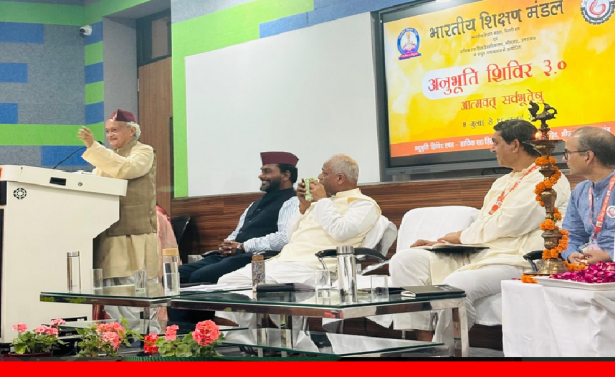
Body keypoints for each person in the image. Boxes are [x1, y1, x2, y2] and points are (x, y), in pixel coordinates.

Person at [389, 119, 571, 342]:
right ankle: (423, 343)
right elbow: (484, 223)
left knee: (455, 285)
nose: (491, 148)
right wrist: (444, 244)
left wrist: (460, 237)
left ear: (515, 145)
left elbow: (509, 224)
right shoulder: (503, 181)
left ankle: (446, 351)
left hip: (515, 258)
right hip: (482, 252)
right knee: (406, 260)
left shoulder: (547, 178)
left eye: (495, 142)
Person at [216, 154, 381, 296]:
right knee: (227, 281)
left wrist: (322, 200)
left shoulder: (363, 204)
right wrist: (302, 208)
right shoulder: (320, 203)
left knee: (251, 288)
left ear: (339, 178)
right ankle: (262, 324)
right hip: (282, 261)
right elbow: (290, 236)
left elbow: (341, 231)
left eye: (324, 173)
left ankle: (278, 322)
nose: (319, 177)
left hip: (314, 267)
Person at [78, 109, 158, 321]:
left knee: (134, 285)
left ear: (131, 131)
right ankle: (119, 332)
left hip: (134, 230)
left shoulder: (143, 151)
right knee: (111, 285)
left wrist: (94, 148)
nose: (110, 135)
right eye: (107, 131)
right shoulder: (108, 158)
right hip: (108, 227)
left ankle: (143, 332)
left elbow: (126, 169)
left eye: (115, 130)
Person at [178, 152, 300, 284]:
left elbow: (284, 238)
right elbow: (238, 232)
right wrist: (228, 244)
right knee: (178, 274)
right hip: (232, 255)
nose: (261, 176)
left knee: (200, 276)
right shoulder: (255, 204)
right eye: (262, 171)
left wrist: (244, 246)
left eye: (266, 172)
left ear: (286, 175)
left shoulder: (293, 202)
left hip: (257, 258)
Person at [560, 126, 615, 265]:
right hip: (589, 266)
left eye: (567, 153)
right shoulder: (580, 190)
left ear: (588, 156)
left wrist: (609, 255)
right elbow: (571, 234)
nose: (564, 159)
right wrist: (571, 253)